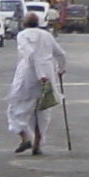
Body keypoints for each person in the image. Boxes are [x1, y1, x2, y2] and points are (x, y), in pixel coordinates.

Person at [5, 13, 67, 155]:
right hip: (48, 72)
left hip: (29, 74)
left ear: (24, 24)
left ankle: (25, 137)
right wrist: (61, 69)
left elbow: (31, 55)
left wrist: (40, 75)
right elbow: (61, 54)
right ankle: (37, 143)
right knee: (42, 110)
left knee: (16, 108)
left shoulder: (22, 35)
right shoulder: (46, 35)